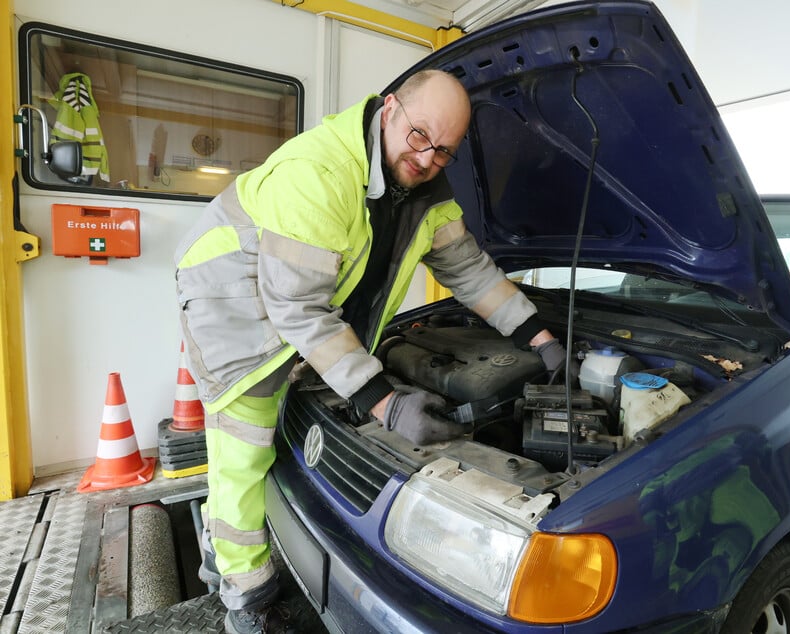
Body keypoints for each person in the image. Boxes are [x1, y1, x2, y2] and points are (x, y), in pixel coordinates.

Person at [174, 69, 569, 634]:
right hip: (235, 311)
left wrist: (541, 340)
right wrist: (384, 402)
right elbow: (298, 309)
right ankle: (247, 597)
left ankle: (223, 554)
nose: (429, 157)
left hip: (298, 309)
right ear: (388, 110)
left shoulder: (425, 188)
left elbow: (470, 271)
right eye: (419, 136)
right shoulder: (319, 174)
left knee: (273, 443)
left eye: (444, 150)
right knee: (244, 453)